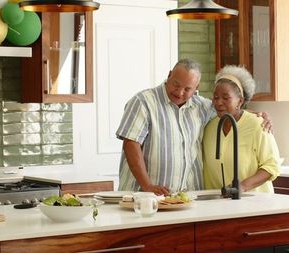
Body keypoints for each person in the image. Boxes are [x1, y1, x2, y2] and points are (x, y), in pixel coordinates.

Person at [116, 59, 272, 196]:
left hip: (186, 200)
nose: (180, 92)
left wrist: (257, 114)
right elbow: (131, 144)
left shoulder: (201, 106)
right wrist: (147, 186)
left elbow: (228, 108)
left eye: (187, 89)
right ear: (169, 75)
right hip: (143, 197)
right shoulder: (143, 102)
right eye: (176, 85)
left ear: (196, 88)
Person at [202, 65, 281, 193]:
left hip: (256, 204)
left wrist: (243, 186)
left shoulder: (258, 125)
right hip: (217, 205)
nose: (218, 102)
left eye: (226, 98)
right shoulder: (209, 128)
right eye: (216, 97)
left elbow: (272, 166)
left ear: (240, 101)